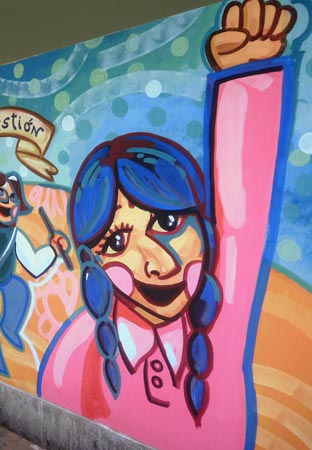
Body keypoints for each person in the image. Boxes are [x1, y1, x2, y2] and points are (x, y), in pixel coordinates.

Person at [38, 1, 296, 449]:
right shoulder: (80, 354)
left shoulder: (220, 315)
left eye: (168, 221)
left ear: (204, 226)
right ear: (93, 261)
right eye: (116, 241)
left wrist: (246, 79)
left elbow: (240, 215)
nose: (157, 263)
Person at [0, 171, 68, 376]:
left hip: (4, 279)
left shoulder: (15, 235)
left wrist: (53, 250)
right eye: (0, 193)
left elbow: (34, 265)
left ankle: (9, 327)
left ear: (18, 206)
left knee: (21, 290)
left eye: (12, 197)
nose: (6, 201)